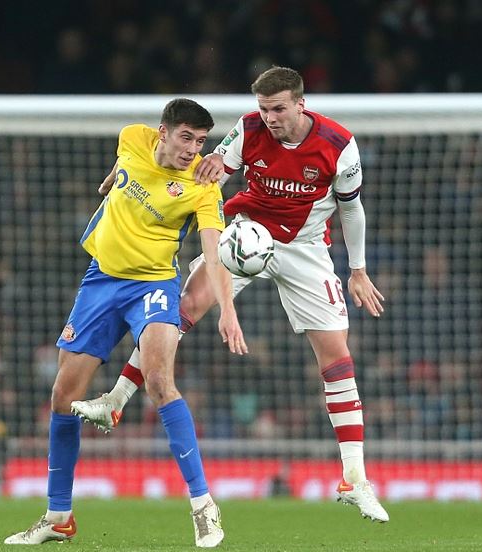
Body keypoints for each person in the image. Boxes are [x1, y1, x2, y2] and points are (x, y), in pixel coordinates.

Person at [73, 67, 389, 522]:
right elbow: (213, 172)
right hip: (247, 234)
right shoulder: (249, 129)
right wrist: (193, 175)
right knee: (185, 306)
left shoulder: (339, 146)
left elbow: (351, 209)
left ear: (300, 105)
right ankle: (116, 400)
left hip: (305, 246)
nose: (270, 118)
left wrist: (357, 270)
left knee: (337, 355)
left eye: (278, 109)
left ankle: (354, 478)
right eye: (264, 109)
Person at [4, 98, 246, 548]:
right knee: (63, 396)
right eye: (186, 138)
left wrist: (227, 312)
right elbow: (124, 166)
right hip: (101, 281)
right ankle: (58, 516)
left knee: (159, 381)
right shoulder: (133, 138)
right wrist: (112, 180)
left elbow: (213, 256)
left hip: (153, 284)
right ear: (163, 132)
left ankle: (203, 506)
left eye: (200, 141)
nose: (193, 150)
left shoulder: (202, 188)